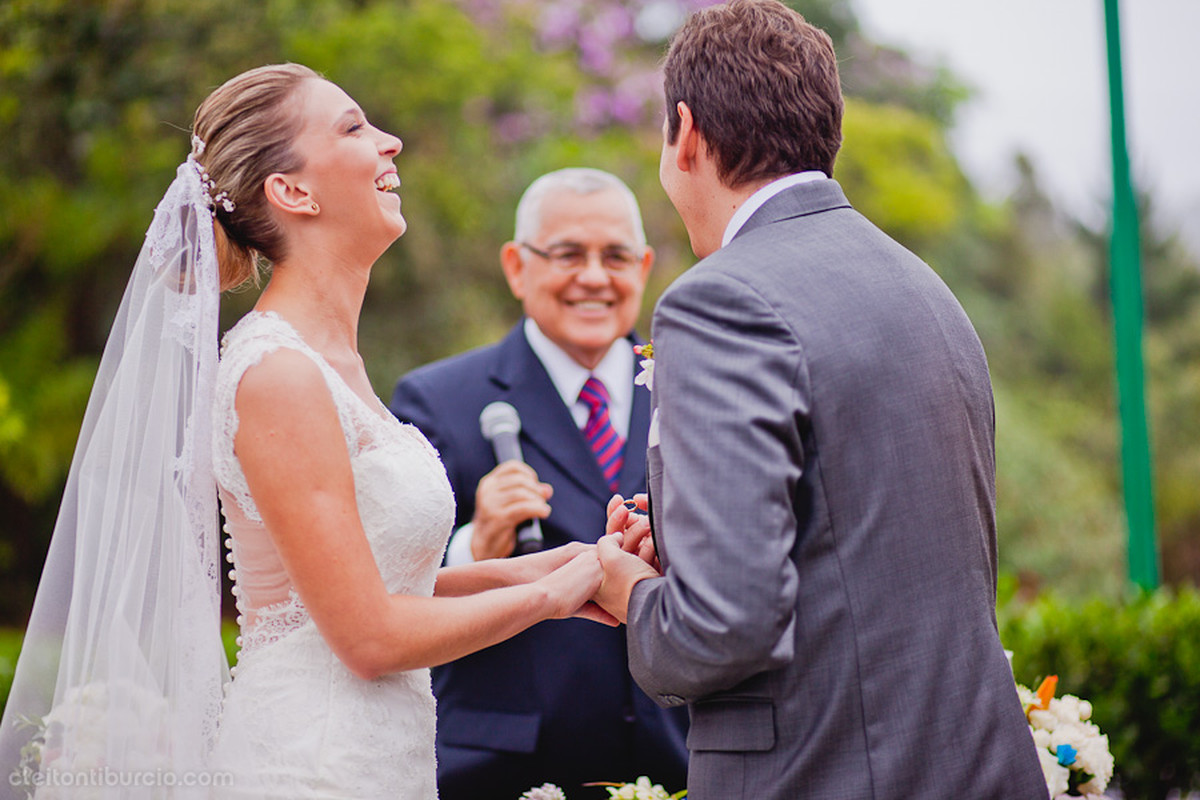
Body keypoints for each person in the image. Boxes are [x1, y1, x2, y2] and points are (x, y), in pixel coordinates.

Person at [0, 64, 609, 800]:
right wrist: (551, 599)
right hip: (310, 768)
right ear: (292, 191)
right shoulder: (278, 374)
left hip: (378, 761)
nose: (393, 142)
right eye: (354, 128)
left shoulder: (334, 365)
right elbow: (367, 636)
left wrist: (570, 567)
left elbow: (383, 586)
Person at [593, 2, 1049, 799]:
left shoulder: (720, 301)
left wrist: (627, 590)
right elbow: (863, 538)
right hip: (973, 766)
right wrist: (691, 549)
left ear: (687, 133)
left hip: (824, 772)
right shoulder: (923, 285)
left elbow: (724, 629)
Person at [389, 168, 688, 800]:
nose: (594, 277)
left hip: (678, 758)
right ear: (517, 266)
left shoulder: (694, 391)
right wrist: (476, 543)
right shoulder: (439, 399)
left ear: (643, 267)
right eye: (568, 254)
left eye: (615, 256)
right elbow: (390, 588)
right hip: (505, 770)